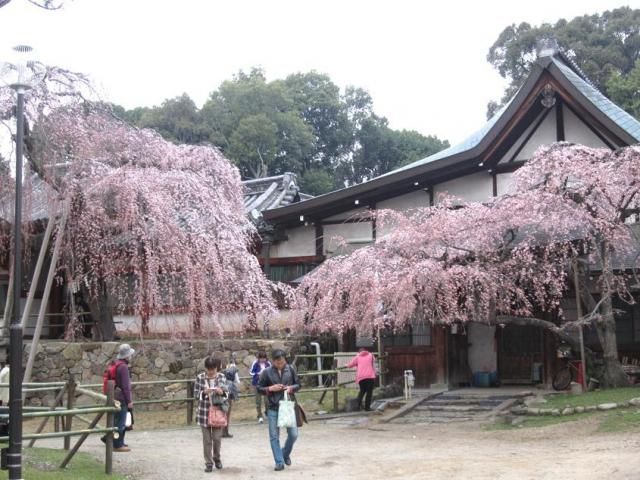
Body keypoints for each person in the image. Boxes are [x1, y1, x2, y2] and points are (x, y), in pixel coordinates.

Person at [257, 349, 300, 472]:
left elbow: (299, 385)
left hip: (287, 405)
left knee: (293, 434)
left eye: (281, 361)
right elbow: (259, 389)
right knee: (274, 436)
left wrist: (291, 388)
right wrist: (270, 388)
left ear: (285, 359)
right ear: (273, 361)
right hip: (273, 407)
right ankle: (279, 462)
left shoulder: (291, 369)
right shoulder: (266, 372)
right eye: (277, 362)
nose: (280, 364)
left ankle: (285, 453)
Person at [194, 356, 229, 473]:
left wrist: (222, 392)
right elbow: (195, 395)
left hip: (218, 412)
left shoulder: (222, 377)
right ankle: (208, 463)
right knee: (207, 440)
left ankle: (217, 458)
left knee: (217, 438)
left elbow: (227, 394)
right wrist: (204, 392)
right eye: (209, 369)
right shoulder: (200, 378)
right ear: (206, 368)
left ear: (216, 368)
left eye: (213, 369)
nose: (211, 372)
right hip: (204, 412)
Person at [113, 344, 134, 452]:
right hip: (122, 398)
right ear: (127, 356)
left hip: (115, 395)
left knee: (116, 420)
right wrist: (129, 400)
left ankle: (116, 441)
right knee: (121, 421)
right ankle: (118, 445)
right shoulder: (124, 367)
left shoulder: (117, 365)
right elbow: (126, 386)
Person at [346, 347, 377, 411]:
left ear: (359, 352)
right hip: (370, 376)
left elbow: (350, 365)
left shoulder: (357, 357)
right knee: (369, 392)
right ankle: (367, 408)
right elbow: (374, 365)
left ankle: (357, 406)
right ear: (366, 351)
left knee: (362, 391)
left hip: (361, 377)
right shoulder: (371, 355)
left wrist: (346, 365)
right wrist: (375, 374)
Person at [250, 351, 271, 423]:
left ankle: (267, 412)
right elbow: (251, 372)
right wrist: (258, 374)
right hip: (257, 384)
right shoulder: (255, 363)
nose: (262, 359)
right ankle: (259, 416)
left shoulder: (268, 363)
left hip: (266, 384)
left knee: (267, 400)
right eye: (261, 358)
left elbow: (271, 371)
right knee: (258, 401)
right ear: (258, 358)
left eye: (264, 358)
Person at [222, 354, 240, 438]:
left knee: (225, 412)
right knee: (225, 412)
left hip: (225, 391)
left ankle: (225, 431)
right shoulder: (232, 369)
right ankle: (224, 431)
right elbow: (237, 381)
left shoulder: (228, 368)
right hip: (225, 391)